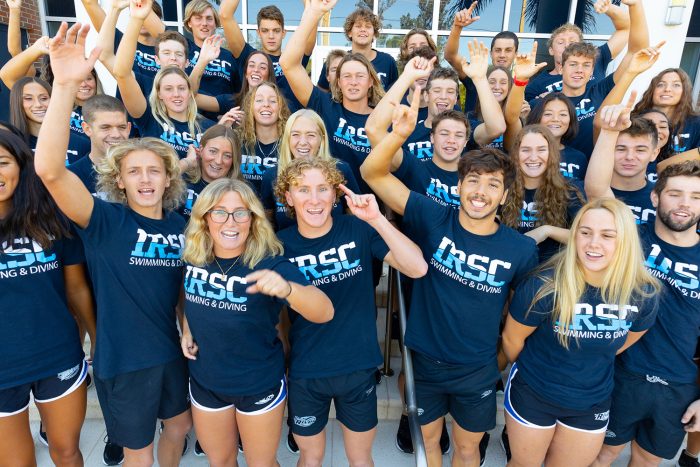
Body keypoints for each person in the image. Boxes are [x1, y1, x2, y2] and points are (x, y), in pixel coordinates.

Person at [34, 22, 192, 466]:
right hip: (124, 359)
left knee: (179, 427)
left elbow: (185, 286)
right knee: (138, 452)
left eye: (154, 170)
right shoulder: (104, 220)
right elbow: (50, 171)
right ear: (118, 180)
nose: (145, 179)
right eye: (134, 171)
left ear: (169, 177)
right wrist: (64, 86)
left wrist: (187, 326)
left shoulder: (181, 226)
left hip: (170, 352)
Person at [361, 81, 538, 467]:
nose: (480, 191)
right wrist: (399, 135)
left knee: (468, 449)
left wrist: (497, 362)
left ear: (506, 196)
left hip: (477, 368)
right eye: (472, 181)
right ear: (459, 186)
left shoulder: (520, 249)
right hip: (425, 359)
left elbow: (517, 316)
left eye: (493, 184)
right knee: (428, 441)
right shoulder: (433, 216)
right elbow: (372, 173)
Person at [275, 156, 427, 466]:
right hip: (307, 369)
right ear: (288, 197)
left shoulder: (358, 229)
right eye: (303, 190)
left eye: (323, 188)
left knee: (360, 457)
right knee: (310, 456)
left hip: (358, 366)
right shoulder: (279, 246)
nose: (314, 199)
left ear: (335, 194)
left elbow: (417, 267)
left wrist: (377, 220)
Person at [180, 177, 333, 467]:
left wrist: (288, 289)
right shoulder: (195, 256)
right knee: (220, 461)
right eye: (219, 212)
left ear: (252, 219)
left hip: (258, 383)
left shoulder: (269, 262)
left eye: (240, 212)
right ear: (205, 218)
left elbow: (324, 311)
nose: (231, 222)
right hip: (206, 380)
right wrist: (188, 327)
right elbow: (190, 295)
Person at [502, 197, 659, 467]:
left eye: (607, 235)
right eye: (585, 233)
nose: (593, 243)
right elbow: (511, 339)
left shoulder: (643, 293)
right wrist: (536, 371)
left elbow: (624, 341)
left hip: (591, 400)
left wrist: (590, 351)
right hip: (534, 392)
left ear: (625, 241)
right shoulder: (543, 286)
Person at [591, 161, 700, 467]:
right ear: (655, 197)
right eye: (675, 194)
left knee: (647, 462)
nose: (684, 204)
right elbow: (596, 190)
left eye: (695, 197)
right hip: (621, 373)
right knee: (602, 455)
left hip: (678, 384)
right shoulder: (630, 239)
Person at [0, 129, 95, 467]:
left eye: (3, 162)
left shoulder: (50, 219)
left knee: (66, 452)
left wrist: (97, 336)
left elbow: (76, 288)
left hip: (57, 353)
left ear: (20, 166)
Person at [280, 0, 385, 195]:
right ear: (338, 82)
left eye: (360, 76)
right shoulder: (324, 104)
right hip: (322, 202)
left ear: (371, 81)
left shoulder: (382, 120)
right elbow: (288, 63)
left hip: (366, 205)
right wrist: (313, 13)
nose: (353, 82)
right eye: (346, 76)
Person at [113, 0, 216, 159]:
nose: (176, 94)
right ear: (159, 93)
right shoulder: (149, 117)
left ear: (190, 91)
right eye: (168, 89)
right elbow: (122, 73)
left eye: (182, 88)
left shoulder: (208, 127)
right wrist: (136, 19)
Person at [0, 37, 101, 162]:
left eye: (88, 78)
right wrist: (36, 49)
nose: (84, 84)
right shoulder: (56, 102)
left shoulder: (105, 107)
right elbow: (7, 74)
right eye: (78, 78)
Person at [260, 109, 360, 231]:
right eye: (295, 135)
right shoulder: (271, 176)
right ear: (287, 138)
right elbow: (267, 225)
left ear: (322, 139)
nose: (303, 142)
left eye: (311, 135)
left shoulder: (341, 170)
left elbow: (355, 219)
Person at [501, 124, 585, 262]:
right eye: (526, 150)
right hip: (510, 264)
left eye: (541, 150)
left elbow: (585, 236)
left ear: (551, 153)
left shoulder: (570, 189)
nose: (533, 157)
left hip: (551, 269)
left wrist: (546, 231)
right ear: (516, 154)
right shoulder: (503, 187)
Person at [524, 0, 635, 101]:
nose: (567, 45)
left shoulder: (596, 58)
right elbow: (524, 112)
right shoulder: (537, 84)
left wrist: (609, 9)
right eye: (560, 42)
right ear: (551, 50)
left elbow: (626, 29)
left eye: (572, 42)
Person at [219, 1, 317, 113]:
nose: (271, 36)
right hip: (257, 120)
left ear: (284, 33)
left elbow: (309, 38)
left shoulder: (291, 60)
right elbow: (225, 15)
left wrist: (310, 5)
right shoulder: (249, 57)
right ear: (258, 33)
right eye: (265, 31)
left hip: (290, 121)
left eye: (276, 31)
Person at [585, 96, 660, 225]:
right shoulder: (578, 193)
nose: (629, 156)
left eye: (640, 150)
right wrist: (610, 131)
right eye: (621, 149)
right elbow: (595, 192)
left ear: (654, 153)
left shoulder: (663, 197)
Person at [445, 2, 519, 113]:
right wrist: (457, 27)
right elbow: (450, 56)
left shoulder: (518, 88)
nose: (502, 55)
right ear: (491, 53)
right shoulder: (476, 75)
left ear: (515, 54)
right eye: (498, 50)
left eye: (508, 50)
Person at [315, 7, 398, 92]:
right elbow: (321, 94)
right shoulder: (336, 61)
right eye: (358, 26)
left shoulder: (388, 61)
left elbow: (395, 93)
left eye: (368, 27)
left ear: (374, 34)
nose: (363, 30)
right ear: (350, 32)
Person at [81, 0, 164, 78]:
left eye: (146, 15)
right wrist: (115, 8)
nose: (142, 18)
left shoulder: (167, 49)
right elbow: (90, 4)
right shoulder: (122, 43)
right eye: (137, 13)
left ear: (158, 19)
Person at [68, 95, 131, 198]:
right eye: (106, 127)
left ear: (128, 128)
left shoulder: (142, 171)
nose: (116, 134)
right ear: (87, 129)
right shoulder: (72, 177)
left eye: (121, 127)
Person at [180, 124, 243, 220]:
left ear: (233, 160)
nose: (218, 161)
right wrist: (188, 162)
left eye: (227, 156)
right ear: (201, 150)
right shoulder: (182, 180)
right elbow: (164, 179)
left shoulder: (241, 192)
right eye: (213, 151)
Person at [238, 82, 290, 194]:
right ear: (250, 107)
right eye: (259, 100)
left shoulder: (291, 144)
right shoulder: (238, 140)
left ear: (280, 108)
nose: (266, 104)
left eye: (273, 101)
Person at [633, 68, 700, 155]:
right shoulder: (635, 119)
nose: (667, 89)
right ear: (652, 90)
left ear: (685, 91)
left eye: (676, 85)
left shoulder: (696, 124)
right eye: (660, 84)